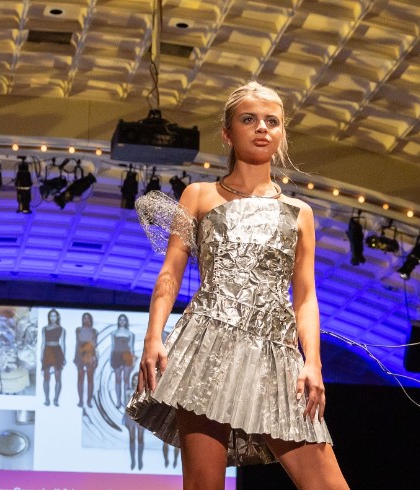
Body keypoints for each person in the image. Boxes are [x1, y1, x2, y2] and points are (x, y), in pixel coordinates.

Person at [127, 81, 348, 489]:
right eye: (249, 119)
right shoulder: (199, 195)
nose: (262, 128)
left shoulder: (300, 213)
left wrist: (312, 361)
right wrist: (152, 338)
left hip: (276, 353)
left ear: (281, 135)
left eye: (272, 121)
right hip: (208, 345)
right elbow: (170, 273)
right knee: (203, 485)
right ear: (228, 133)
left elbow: (305, 296)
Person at [41, 309, 66, 406]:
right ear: (48, 317)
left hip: (57, 351)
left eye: (54, 316)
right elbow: (43, 343)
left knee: (58, 377)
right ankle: (47, 399)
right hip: (47, 351)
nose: (53, 318)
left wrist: (63, 357)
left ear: (57, 317)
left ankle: (56, 399)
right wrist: (41, 355)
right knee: (46, 377)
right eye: (51, 316)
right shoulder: (44, 328)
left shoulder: (61, 329)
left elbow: (63, 344)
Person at [110, 314, 135, 409]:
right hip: (116, 356)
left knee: (126, 379)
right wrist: (111, 359)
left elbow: (131, 348)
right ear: (118, 321)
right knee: (118, 379)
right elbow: (112, 347)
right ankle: (118, 401)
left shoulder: (130, 333)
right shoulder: (114, 333)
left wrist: (132, 360)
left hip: (126, 355)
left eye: (124, 320)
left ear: (126, 322)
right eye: (120, 320)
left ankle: (126, 401)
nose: (122, 321)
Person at [74, 312, 98, 408]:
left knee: (90, 379)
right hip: (80, 356)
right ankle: (80, 400)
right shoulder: (78, 330)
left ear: (90, 320)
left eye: (88, 318)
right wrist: (76, 357)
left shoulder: (94, 331)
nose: (86, 320)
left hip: (90, 355)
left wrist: (94, 357)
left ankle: (88, 401)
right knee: (80, 379)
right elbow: (77, 343)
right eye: (84, 318)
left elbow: (94, 345)